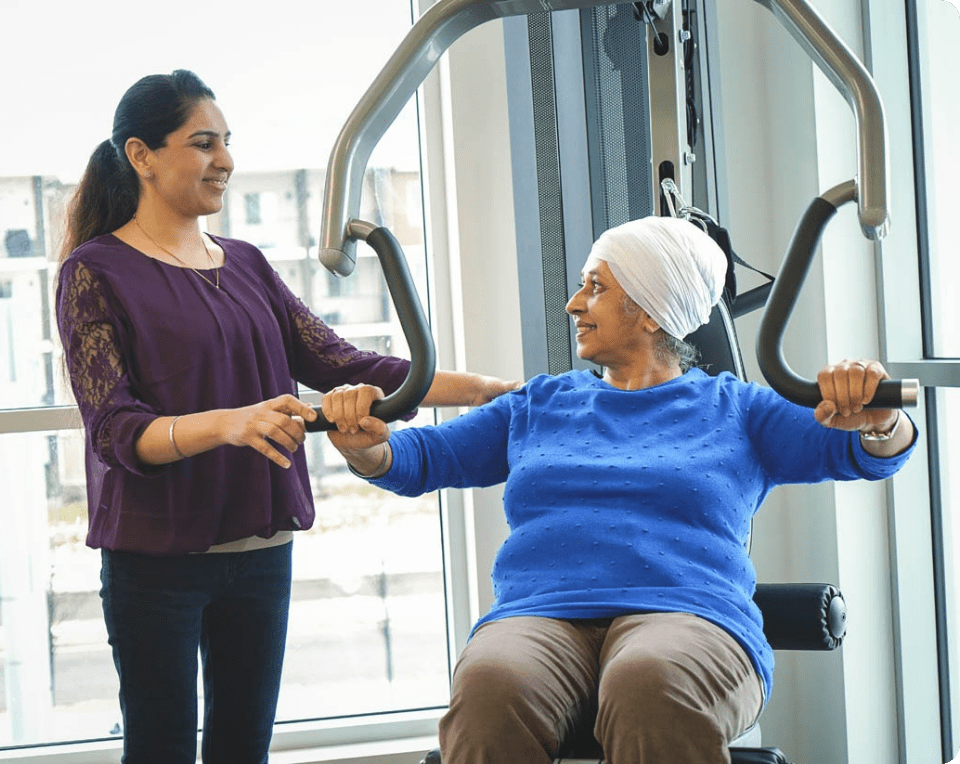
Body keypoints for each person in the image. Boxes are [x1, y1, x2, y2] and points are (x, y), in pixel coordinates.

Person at [321, 216, 917, 764]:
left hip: (690, 614)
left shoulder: (736, 410)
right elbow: (421, 459)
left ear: (652, 310)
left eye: (595, 287)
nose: (573, 302)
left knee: (650, 681)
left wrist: (880, 419)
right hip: (540, 615)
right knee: (490, 687)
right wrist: (364, 446)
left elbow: (863, 452)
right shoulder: (542, 403)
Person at [55, 69, 517, 764]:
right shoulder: (94, 271)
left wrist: (488, 388)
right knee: (161, 750)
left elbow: (340, 361)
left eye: (228, 143)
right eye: (203, 143)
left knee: (244, 750)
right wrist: (229, 421)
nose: (227, 162)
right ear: (141, 155)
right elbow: (117, 431)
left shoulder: (244, 262)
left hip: (260, 551)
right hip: (156, 563)